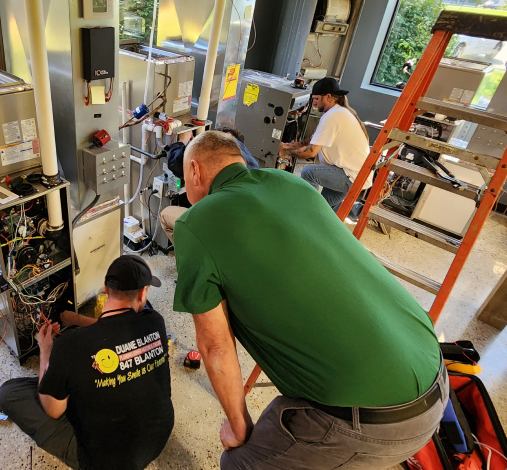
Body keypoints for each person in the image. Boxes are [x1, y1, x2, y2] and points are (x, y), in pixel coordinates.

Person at [173, 131, 445, 470]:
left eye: (185, 176)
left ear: (195, 171)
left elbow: (215, 347)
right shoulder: (294, 183)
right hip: (432, 366)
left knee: (239, 462)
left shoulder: (195, 222)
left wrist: (239, 425)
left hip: (378, 420)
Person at [0, 255, 174, 470]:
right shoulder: (155, 322)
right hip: (157, 439)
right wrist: (76, 320)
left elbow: (53, 411)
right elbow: (113, 328)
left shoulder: (69, 346)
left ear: (106, 290)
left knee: (9, 392)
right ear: (144, 293)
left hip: (106, 462)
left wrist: (45, 350)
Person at [279, 77, 371, 215]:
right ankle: (357, 211)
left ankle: (305, 213)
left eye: (316, 99)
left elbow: (311, 152)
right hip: (353, 174)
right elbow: (312, 140)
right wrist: (286, 145)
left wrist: (286, 153)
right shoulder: (338, 112)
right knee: (324, 210)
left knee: (308, 173)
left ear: (328, 97)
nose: (314, 103)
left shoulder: (333, 116)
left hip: (350, 176)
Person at [160, 126, 258, 244]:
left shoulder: (219, 150)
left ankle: (194, 254)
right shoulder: (251, 163)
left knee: (165, 215)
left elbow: (176, 161)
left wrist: (182, 141)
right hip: (248, 230)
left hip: (224, 231)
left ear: (227, 135)